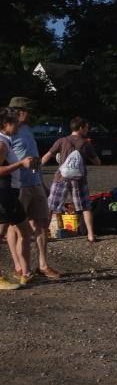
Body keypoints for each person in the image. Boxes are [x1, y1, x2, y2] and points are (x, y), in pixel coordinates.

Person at [8, 97, 59, 278]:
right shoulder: (8, 132)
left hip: (34, 182)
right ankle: (19, 266)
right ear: (19, 111)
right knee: (15, 226)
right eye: (27, 111)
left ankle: (43, 265)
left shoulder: (27, 129)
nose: (29, 115)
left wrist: (41, 181)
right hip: (18, 184)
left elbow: (33, 156)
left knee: (42, 223)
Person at [42, 117, 101, 243]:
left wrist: (36, 168)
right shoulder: (86, 144)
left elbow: (47, 156)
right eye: (86, 127)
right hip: (79, 179)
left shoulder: (61, 140)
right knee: (85, 207)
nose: (87, 130)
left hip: (61, 177)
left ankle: (44, 234)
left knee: (51, 206)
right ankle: (91, 235)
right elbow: (97, 162)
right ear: (80, 128)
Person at [0, 107, 33, 288]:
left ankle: (25, 273)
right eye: (15, 124)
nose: (17, 128)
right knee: (1, 234)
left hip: (11, 193)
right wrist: (21, 163)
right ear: (6, 124)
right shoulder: (2, 144)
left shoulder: (6, 141)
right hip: (4, 192)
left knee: (25, 232)